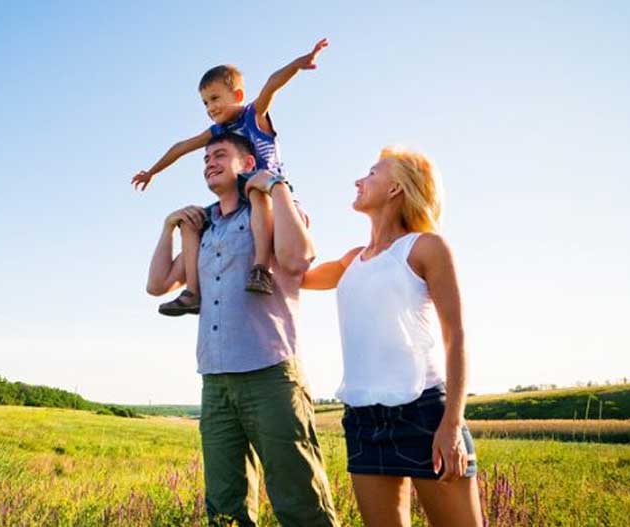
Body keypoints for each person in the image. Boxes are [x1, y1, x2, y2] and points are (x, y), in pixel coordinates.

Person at [145, 132, 339, 527]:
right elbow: (158, 284)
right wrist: (168, 227)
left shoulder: (269, 210)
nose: (209, 163)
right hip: (215, 382)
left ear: (247, 164)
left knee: (299, 499)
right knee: (224, 507)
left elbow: (298, 258)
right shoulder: (205, 229)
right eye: (204, 160)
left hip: (269, 374)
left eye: (219, 154)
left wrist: (276, 186)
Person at [302, 146, 483, 526]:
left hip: (425, 412)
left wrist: (452, 422)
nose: (358, 180)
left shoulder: (426, 247)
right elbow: (293, 275)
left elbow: (457, 336)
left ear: (396, 188)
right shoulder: (352, 260)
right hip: (364, 419)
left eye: (370, 173)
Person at [134, 38, 329, 316]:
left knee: (254, 190)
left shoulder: (253, 115)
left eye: (215, 99)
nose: (210, 108)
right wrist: (153, 171)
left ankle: (260, 267)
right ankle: (193, 292)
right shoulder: (217, 132)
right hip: (237, 199)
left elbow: (272, 84)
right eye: (205, 103)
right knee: (192, 222)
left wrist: (298, 64)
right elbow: (181, 146)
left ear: (237, 95)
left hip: (266, 189)